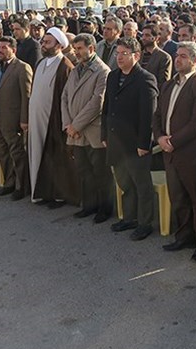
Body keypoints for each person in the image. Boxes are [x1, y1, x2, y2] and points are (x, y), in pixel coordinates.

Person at [152, 41, 196, 261]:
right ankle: (183, 237)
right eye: (177, 55)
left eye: (183, 56)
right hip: (169, 151)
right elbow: (158, 115)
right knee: (178, 198)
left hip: (192, 153)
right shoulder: (169, 85)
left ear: (195, 60)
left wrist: (173, 141)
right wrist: (160, 137)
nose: (178, 59)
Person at [102, 37, 159, 241]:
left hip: (135, 143)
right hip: (116, 141)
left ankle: (145, 223)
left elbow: (149, 115)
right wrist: (104, 134)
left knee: (142, 186)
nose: (119, 57)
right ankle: (129, 218)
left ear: (136, 55)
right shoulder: (113, 76)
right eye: (117, 53)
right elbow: (107, 107)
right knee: (125, 183)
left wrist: (144, 143)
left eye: (124, 54)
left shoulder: (145, 79)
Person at [61, 33, 114, 223]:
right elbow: (64, 97)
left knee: (100, 172)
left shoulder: (103, 71)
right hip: (75, 132)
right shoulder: (76, 70)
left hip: (93, 130)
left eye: (80, 49)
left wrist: (76, 125)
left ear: (91, 48)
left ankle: (104, 208)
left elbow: (97, 103)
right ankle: (89, 205)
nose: (76, 52)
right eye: (75, 49)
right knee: (84, 171)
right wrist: (68, 124)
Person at [27, 27, 77, 208]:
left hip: (54, 121)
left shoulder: (65, 66)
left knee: (56, 158)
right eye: (43, 42)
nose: (43, 45)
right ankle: (41, 192)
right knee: (38, 155)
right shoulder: (41, 63)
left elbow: (67, 98)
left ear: (59, 45)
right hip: (36, 120)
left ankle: (58, 195)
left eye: (48, 42)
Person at [0, 36, 33, 200]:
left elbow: (26, 96)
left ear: (13, 50)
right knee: (3, 152)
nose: (0, 51)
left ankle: (22, 186)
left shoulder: (22, 68)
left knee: (17, 153)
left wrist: (24, 119)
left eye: (4, 48)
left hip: (13, 119)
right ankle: (9, 183)